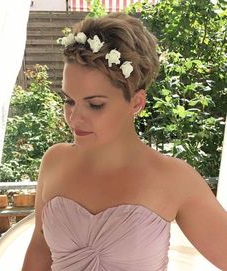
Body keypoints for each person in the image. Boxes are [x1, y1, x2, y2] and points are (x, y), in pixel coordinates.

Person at [21, 12, 227, 271]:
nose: (74, 117)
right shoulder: (54, 161)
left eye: (95, 105)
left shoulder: (173, 178)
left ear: (136, 102)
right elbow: (39, 253)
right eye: (69, 100)